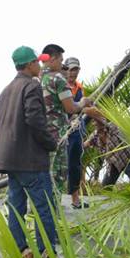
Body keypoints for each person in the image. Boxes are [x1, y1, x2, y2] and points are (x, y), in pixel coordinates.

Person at [0, 46, 59, 258]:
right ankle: (46, 254)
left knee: (16, 205)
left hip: (9, 159)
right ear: (30, 64)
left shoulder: (6, 90)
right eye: (37, 62)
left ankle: (21, 250)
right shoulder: (31, 86)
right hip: (30, 160)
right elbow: (35, 121)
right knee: (44, 208)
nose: (40, 65)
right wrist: (51, 143)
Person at [40, 44, 90, 198]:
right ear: (53, 59)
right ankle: (53, 212)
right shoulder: (58, 79)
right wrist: (83, 102)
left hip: (42, 133)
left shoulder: (39, 78)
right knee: (58, 174)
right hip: (58, 134)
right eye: (61, 60)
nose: (63, 66)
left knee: (44, 172)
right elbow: (70, 108)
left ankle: (42, 209)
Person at [63, 57, 89, 209]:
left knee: (75, 164)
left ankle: (75, 199)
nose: (73, 73)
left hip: (76, 130)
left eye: (75, 69)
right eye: (70, 69)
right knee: (58, 166)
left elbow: (82, 109)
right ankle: (54, 199)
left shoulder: (79, 88)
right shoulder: (61, 87)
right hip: (63, 131)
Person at [84, 116, 130, 186]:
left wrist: (95, 114)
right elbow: (85, 145)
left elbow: (104, 122)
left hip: (127, 159)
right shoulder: (95, 136)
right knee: (106, 187)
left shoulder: (111, 127)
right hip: (114, 164)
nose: (96, 123)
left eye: (98, 121)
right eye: (94, 122)